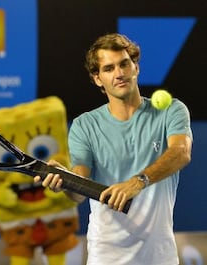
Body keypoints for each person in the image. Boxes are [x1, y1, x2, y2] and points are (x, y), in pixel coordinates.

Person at [34, 33, 193, 265]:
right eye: (108, 68)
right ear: (97, 79)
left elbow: (181, 152)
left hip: (160, 256)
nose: (119, 73)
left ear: (135, 67)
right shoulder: (84, 125)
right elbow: (79, 189)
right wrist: (65, 182)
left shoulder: (172, 110)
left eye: (124, 64)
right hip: (106, 257)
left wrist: (138, 182)